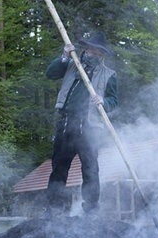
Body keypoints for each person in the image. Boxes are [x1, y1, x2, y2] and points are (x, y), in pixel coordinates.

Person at [44, 32, 118, 216]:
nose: (94, 53)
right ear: (86, 48)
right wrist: (64, 56)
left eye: (99, 51)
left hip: (90, 127)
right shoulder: (70, 64)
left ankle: (91, 210)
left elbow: (113, 100)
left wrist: (104, 102)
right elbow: (50, 74)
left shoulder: (109, 75)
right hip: (66, 123)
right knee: (59, 167)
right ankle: (56, 209)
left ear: (102, 54)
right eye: (92, 48)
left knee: (90, 169)